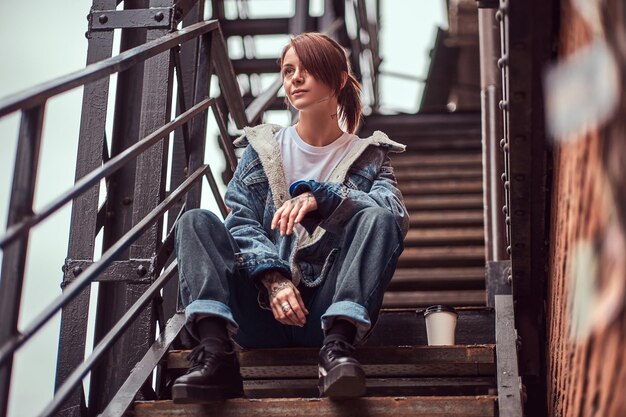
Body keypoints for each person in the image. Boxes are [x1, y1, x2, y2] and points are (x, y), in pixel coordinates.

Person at [171, 32, 409, 403]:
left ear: (339, 79)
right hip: (260, 310)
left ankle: (337, 353)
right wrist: (274, 279)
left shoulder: (369, 157)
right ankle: (217, 355)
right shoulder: (262, 148)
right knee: (194, 222)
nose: (294, 78)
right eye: (287, 70)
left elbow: (393, 216)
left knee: (377, 217)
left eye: (307, 69)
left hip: (325, 316)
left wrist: (324, 197)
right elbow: (241, 221)